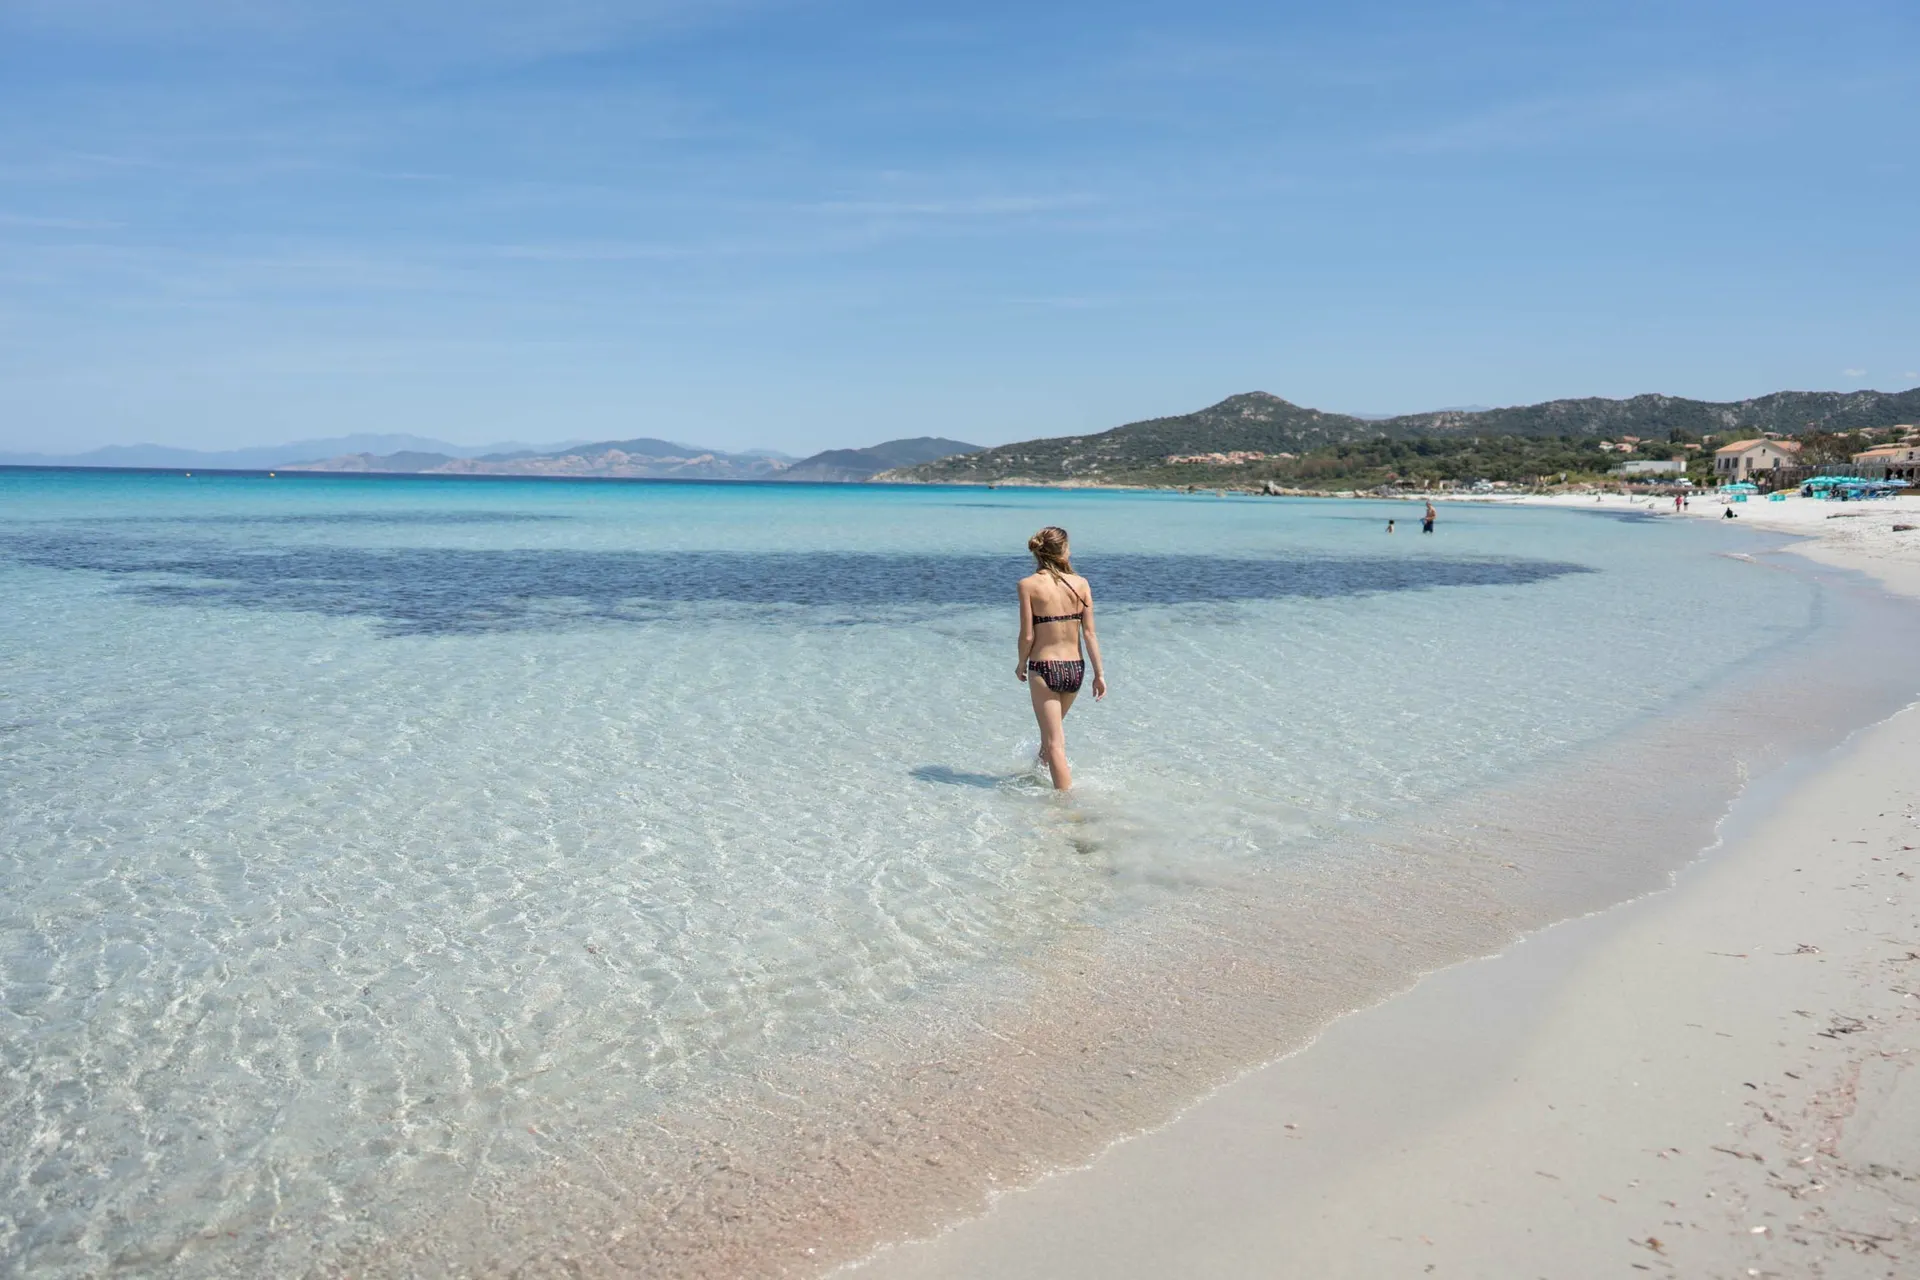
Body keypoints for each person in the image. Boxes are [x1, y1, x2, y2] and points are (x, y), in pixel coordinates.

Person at [1016, 526, 1107, 790]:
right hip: (1075, 669)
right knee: (1050, 739)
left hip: (1045, 668)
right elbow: (1090, 634)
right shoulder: (1081, 584)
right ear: (1063, 550)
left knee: (1055, 743)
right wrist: (1099, 674)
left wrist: (1021, 663)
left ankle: (1066, 807)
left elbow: (1028, 635)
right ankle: (1035, 779)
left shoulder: (1028, 585)